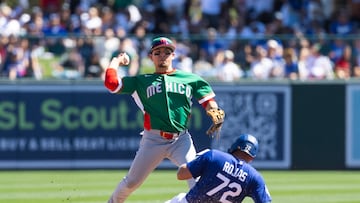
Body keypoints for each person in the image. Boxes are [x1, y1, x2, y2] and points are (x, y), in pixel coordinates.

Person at [104, 36, 224, 203]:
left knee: (197, 182)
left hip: (181, 140)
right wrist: (116, 61)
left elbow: (209, 103)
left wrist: (215, 113)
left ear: (173, 56)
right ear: (151, 57)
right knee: (131, 183)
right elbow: (111, 83)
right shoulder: (141, 82)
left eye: (167, 52)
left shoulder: (191, 79)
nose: (163, 55)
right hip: (153, 140)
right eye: (158, 52)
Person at [166, 134, 272, 203]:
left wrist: (199, 160)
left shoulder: (214, 156)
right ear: (252, 158)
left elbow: (181, 174)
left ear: (234, 147)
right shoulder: (255, 177)